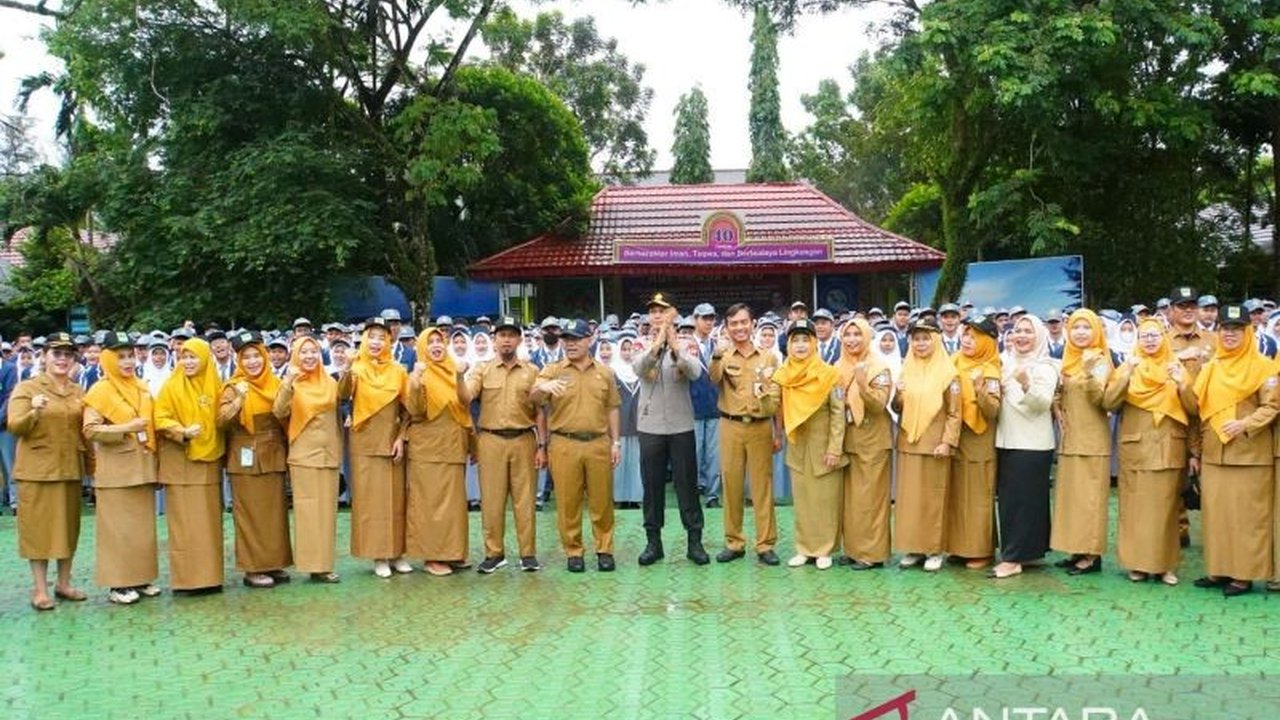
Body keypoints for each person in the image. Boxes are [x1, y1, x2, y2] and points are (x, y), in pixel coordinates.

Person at [1192, 305, 1280, 597]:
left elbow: (1272, 406)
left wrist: (1245, 424)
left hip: (1250, 455)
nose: (1230, 334)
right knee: (1216, 516)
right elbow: (1198, 408)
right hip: (1215, 453)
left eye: (1237, 329)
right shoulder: (1211, 368)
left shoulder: (1265, 367)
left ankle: (1243, 575)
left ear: (1249, 332)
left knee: (1247, 519)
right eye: (1225, 328)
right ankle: (1219, 570)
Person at [1104, 317, 1196, 586]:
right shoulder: (1128, 366)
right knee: (1134, 509)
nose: (1151, 340)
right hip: (1136, 448)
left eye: (1155, 335)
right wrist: (1126, 374)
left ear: (1164, 338)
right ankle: (1137, 564)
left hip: (1169, 447)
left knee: (1167, 510)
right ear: (1138, 340)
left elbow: (1194, 409)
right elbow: (1109, 401)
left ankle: (1165, 566)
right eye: (1145, 335)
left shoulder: (1175, 368)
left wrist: (1183, 384)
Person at [532, 319, 622, 572]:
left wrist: (615, 442)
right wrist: (542, 387)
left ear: (589, 339)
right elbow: (533, 397)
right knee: (568, 501)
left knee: (602, 500)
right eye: (566, 339)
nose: (570, 344)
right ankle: (574, 551)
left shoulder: (604, 372)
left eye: (576, 339)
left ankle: (604, 549)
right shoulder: (553, 370)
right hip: (564, 443)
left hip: (597, 443)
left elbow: (613, 407)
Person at [9, 332, 88, 611]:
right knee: (39, 531)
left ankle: (64, 583)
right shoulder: (28, 388)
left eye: (68, 354)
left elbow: (86, 430)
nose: (62, 360)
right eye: (57, 354)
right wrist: (34, 412)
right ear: (44, 357)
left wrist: (92, 467)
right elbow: (14, 426)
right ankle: (40, 590)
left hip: (69, 469)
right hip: (37, 471)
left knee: (68, 528)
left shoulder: (78, 391)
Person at [461, 315, 545, 573]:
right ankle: (494, 552)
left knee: (525, 500)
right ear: (494, 339)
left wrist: (542, 445)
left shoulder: (532, 371)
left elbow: (540, 410)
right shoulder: (481, 369)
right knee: (492, 500)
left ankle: (527, 553)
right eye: (501, 335)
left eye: (511, 335)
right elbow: (466, 397)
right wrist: (456, 376)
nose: (506, 340)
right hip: (491, 440)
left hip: (523, 439)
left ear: (519, 339)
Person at [83, 331, 160, 605]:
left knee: (141, 527)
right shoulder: (99, 390)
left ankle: (141, 577)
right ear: (107, 359)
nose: (127, 362)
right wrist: (126, 428)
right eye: (121, 357)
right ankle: (118, 584)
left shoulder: (141, 386)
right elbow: (90, 430)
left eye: (130, 356)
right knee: (117, 530)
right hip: (115, 470)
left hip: (142, 465)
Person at [634, 293, 708, 566]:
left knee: (686, 483)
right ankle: (653, 543)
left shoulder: (688, 342)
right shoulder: (640, 342)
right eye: (653, 312)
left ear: (674, 314)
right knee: (652, 485)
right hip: (650, 425)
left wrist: (675, 345)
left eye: (663, 311)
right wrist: (657, 344)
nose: (657, 316)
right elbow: (639, 368)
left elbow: (694, 372)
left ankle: (695, 541)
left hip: (681, 424)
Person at [216, 331, 292, 589]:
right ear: (238, 360)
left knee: (274, 512)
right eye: (246, 357)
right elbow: (221, 420)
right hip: (245, 454)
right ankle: (253, 568)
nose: (252, 362)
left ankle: (273, 562)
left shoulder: (275, 383)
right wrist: (239, 400)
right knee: (250, 513)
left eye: (256, 356)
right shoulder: (232, 386)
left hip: (273, 453)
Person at [708, 303, 782, 565]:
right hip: (730, 425)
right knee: (732, 484)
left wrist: (778, 431)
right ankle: (734, 542)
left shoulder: (769, 357)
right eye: (733, 324)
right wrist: (717, 354)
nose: (739, 328)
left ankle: (765, 544)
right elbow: (713, 380)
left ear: (753, 323)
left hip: (761, 426)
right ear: (726, 328)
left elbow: (776, 395)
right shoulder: (723, 355)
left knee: (763, 486)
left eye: (743, 322)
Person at [155, 338, 226, 594]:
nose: (188, 362)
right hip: (182, 462)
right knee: (184, 524)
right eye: (184, 357)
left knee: (208, 523)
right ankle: (187, 580)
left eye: (193, 357)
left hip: (209, 463)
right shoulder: (171, 387)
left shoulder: (215, 385)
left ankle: (210, 577)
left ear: (205, 358)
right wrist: (181, 431)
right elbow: (159, 418)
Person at [340, 320, 411, 578]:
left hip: (391, 442)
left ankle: (398, 553)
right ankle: (379, 555)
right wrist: (346, 368)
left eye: (382, 337)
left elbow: (407, 411)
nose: (376, 342)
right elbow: (342, 394)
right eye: (372, 337)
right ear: (364, 340)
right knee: (372, 503)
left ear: (388, 341)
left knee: (396, 500)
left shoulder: (398, 370)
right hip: (364, 444)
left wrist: (401, 437)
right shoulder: (357, 369)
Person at [990, 314, 1059, 579]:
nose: (1021, 336)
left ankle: (1013, 558)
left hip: (1031, 444)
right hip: (1007, 440)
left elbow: (1042, 404)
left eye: (1028, 332)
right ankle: (1029, 552)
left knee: (1023, 502)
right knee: (1012, 500)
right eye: (1017, 330)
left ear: (1039, 336)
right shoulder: (1004, 362)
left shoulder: (1046, 366)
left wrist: (1026, 382)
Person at [773, 320, 844, 569]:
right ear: (789, 345)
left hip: (824, 447)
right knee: (803, 502)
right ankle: (804, 548)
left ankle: (824, 549)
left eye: (805, 339)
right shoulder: (783, 374)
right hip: (798, 447)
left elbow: (838, 415)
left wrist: (835, 448)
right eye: (796, 340)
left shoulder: (829, 374)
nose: (801, 345)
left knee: (825, 501)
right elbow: (774, 406)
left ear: (814, 343)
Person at [892, 318, 960, 572]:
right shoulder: (906, 368)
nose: (920, 344)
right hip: (910, 442)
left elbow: (955, 413)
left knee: (934, 499)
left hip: (935, 446)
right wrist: (898, 395)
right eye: (916, 339)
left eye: (925, 338)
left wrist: (947, 442)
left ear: (936, 340)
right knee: (910, 500)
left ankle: (934, 549)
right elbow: (898, 408)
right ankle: (914, 548)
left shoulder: (948, 373)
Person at [273, 335, 342, 583]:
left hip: (329, 453)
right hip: (304, 454)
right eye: (304, 352)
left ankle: (325, 563)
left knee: (327, 511)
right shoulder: (292, 383)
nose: (309, 356)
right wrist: (288, 381)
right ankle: (313, 564)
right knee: (308, 511)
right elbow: (279, 411)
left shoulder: (330, 383)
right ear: (295, 356)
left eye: (313, 351)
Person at [405, 326, 473, 577]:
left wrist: (460, 376)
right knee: (430, 505)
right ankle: (432, 556)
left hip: (453, 446)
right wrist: (416, 381)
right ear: (422, 347)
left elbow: (466, 402)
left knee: (454, 504)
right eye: (430, 342)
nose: (435, 345)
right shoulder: (417, 375)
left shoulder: (451, 371)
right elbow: (415, 410)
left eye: (439, 341)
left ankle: (453, 552)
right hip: (428, 451)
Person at [1051, 309, 1115, 576]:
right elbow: (1060, 395)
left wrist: (1088, 374)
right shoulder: (1067, 359)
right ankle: (1076, 549)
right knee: (1072, 499)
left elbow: (1103, 400)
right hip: (1070, 439)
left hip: (1091, 440)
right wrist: (1056, 405)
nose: (1080, 332)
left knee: (1090, 499)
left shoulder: (1099, 359)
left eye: (1086, 327)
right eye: (1075, 327)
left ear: (1096, 331)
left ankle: (1091, 555)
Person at [835, 318, 894, 570]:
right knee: (851, 499)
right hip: (848, 440)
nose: (851, 340)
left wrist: (861, 383)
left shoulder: (878, 367)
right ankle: (853, 549)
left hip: (872, 439)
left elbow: (879, 405)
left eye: (857, 334)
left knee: (871, 499)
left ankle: (872, 553)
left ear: (868, 337)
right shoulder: (838, 366)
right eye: (847, 334)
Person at [947, 315, 1002, 570]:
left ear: (986, 341)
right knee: (957, 493)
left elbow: (992, 411)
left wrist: (980, 389)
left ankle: (981, 549)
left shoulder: (991, 369)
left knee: (978, 495)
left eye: (974, 337)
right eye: (965, 335)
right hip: (956, 435)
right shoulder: (954, 362)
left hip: (979, 438)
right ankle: (959, 546)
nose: (967, 340)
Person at [611, 333, 643, 507]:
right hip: (620, 422)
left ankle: (635, 497)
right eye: (623, 349)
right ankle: (620, 497)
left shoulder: (641, 370)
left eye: (630, 349)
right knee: (620, 461)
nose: (627, 352)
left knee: (636, 461)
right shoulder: (612, 371)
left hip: (638, 422)